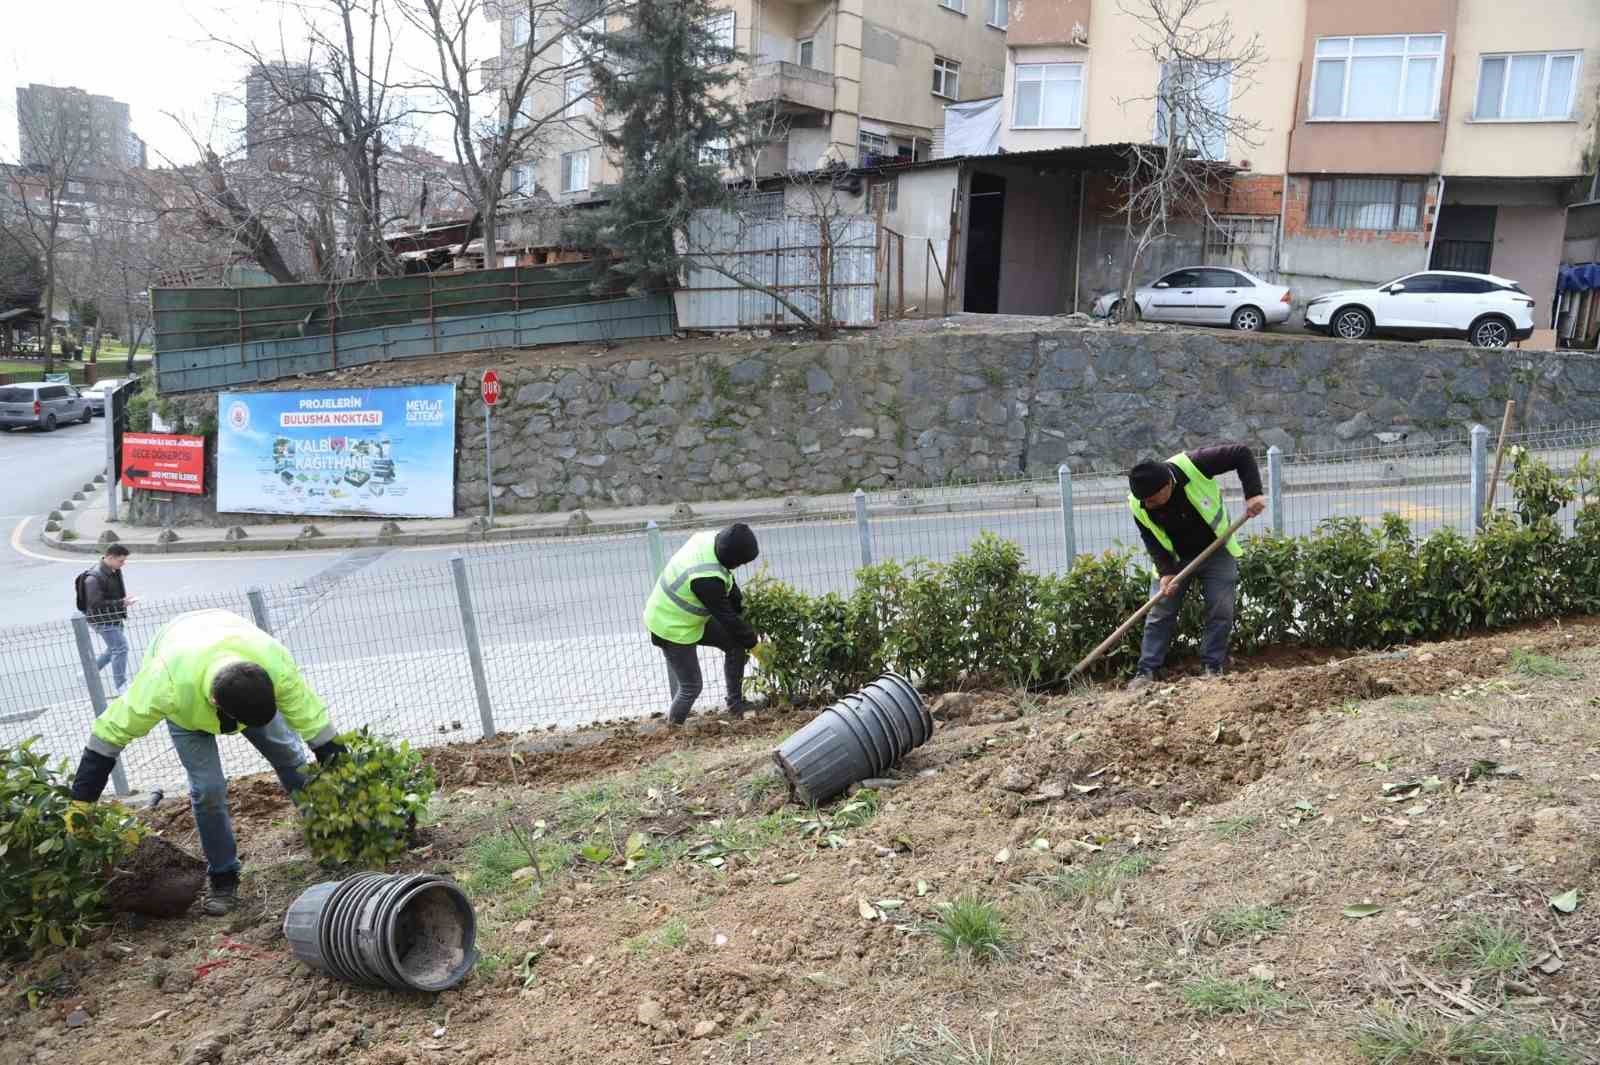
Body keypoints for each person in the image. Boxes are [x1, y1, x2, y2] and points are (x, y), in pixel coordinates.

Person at [68, 609, 346, 915]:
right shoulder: (166, 683)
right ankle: (224, 877)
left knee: (292, 758)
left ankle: (331, 839)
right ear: (216, 702)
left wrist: (348, 780)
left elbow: (315, 725)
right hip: (187, 707)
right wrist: (81, 803)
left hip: (231, 657)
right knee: (208, 789)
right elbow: (109, 733)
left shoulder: (274, 663)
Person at [1125, 443, 1267, 690]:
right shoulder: (1139, 503)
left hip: (1216, 550)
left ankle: (1212, 666)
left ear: (1167, 485)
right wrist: (1166, 572)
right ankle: (1146, 671)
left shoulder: (1195, 464)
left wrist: (1253, 493)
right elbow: (1151, 539)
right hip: (1175, 559)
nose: (1147, 505)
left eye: (1152, 499)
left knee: (1220, 610)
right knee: (1160, 612)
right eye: (1143, 501)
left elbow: (1242, 453)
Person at [642, 523, 761, 725]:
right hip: (671, 626)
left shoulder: (712, 540)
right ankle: (674, 729)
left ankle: (736, 705)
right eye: (739, 563)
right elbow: (727, 617)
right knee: (691, 686)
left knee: (735, 644)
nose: (739, 567)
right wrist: (755, 644)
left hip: (686, 617)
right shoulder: (705, 579)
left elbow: (728, 585)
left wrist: (744, 609)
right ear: (729, 558)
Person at [80, 545, 136, 694]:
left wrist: (122, 602)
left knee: (113, 649)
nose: (123, 564)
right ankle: (121, 686)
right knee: (121, 648)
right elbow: (95, 603)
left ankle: (88, 674)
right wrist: (121, 603)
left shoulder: (114, 570)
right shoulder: (93, 577)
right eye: (120, 561)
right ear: (110, 557)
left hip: (114, 616)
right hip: (102, 620)